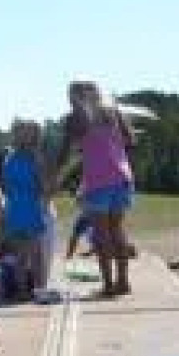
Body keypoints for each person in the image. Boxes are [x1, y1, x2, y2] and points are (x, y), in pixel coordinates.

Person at [54, 80, 136, 297]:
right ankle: (123, 282)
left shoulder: (75, 120)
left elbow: (64, 152)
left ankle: (108, 285)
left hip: (98, 181)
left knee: (101, 235)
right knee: (117, 230)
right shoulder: (113, 113)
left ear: (74, 98)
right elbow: (130, 141)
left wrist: (52, 174)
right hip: (122, 177)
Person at [0, 119, 50, 298]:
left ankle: (40, 288)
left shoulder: (36, 156)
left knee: (36, 252)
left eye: (29, 133)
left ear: (35, 136)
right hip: (14, 208)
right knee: (20, 253)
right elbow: (4, 185)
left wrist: (42, 203)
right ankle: (22, 290)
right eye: (21, 132)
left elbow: (44, 184)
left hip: (31, 207)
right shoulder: (9, 156)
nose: (24, 136)